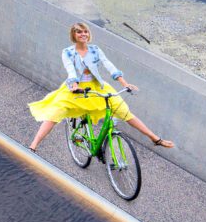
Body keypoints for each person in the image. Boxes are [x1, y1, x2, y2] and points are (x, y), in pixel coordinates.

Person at [28, 22, 174, 153]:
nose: (83, 34)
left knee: (123, 111)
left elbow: (108, 65)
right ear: (73, 35)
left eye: (85, 31)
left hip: (97, 87)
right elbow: (70, 69)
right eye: (79, 32)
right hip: (76, 88)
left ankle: (155, 139)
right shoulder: (67, 52)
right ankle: (34, 145)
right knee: (55, 114)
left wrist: (124, 83)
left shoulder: (95, 50)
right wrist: (74, 84)